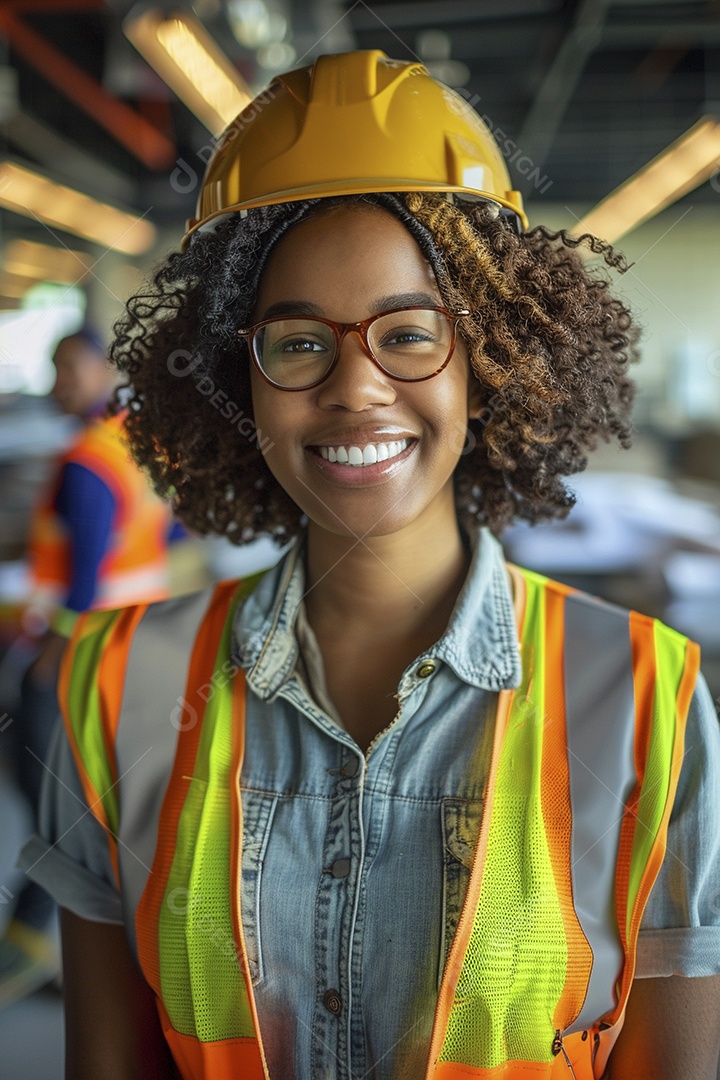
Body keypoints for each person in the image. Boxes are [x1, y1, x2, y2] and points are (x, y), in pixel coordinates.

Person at [19, 51, 720, 1079]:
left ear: (491, 361)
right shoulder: (115, 690)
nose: (356, 388)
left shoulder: (651, 703)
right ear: (236, 380)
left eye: (409, 335)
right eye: (298, 344)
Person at [0, 327, 180, 1008]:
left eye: (69, 368)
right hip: (137, 652)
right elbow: (170, 534)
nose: (58, 383)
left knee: (54, 804)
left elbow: (80, 579)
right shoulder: (139, 447)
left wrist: (50, 654)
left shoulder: (85, 462)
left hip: (76, 656)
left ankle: (27, 945)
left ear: (107, 369)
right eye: (53, 369)